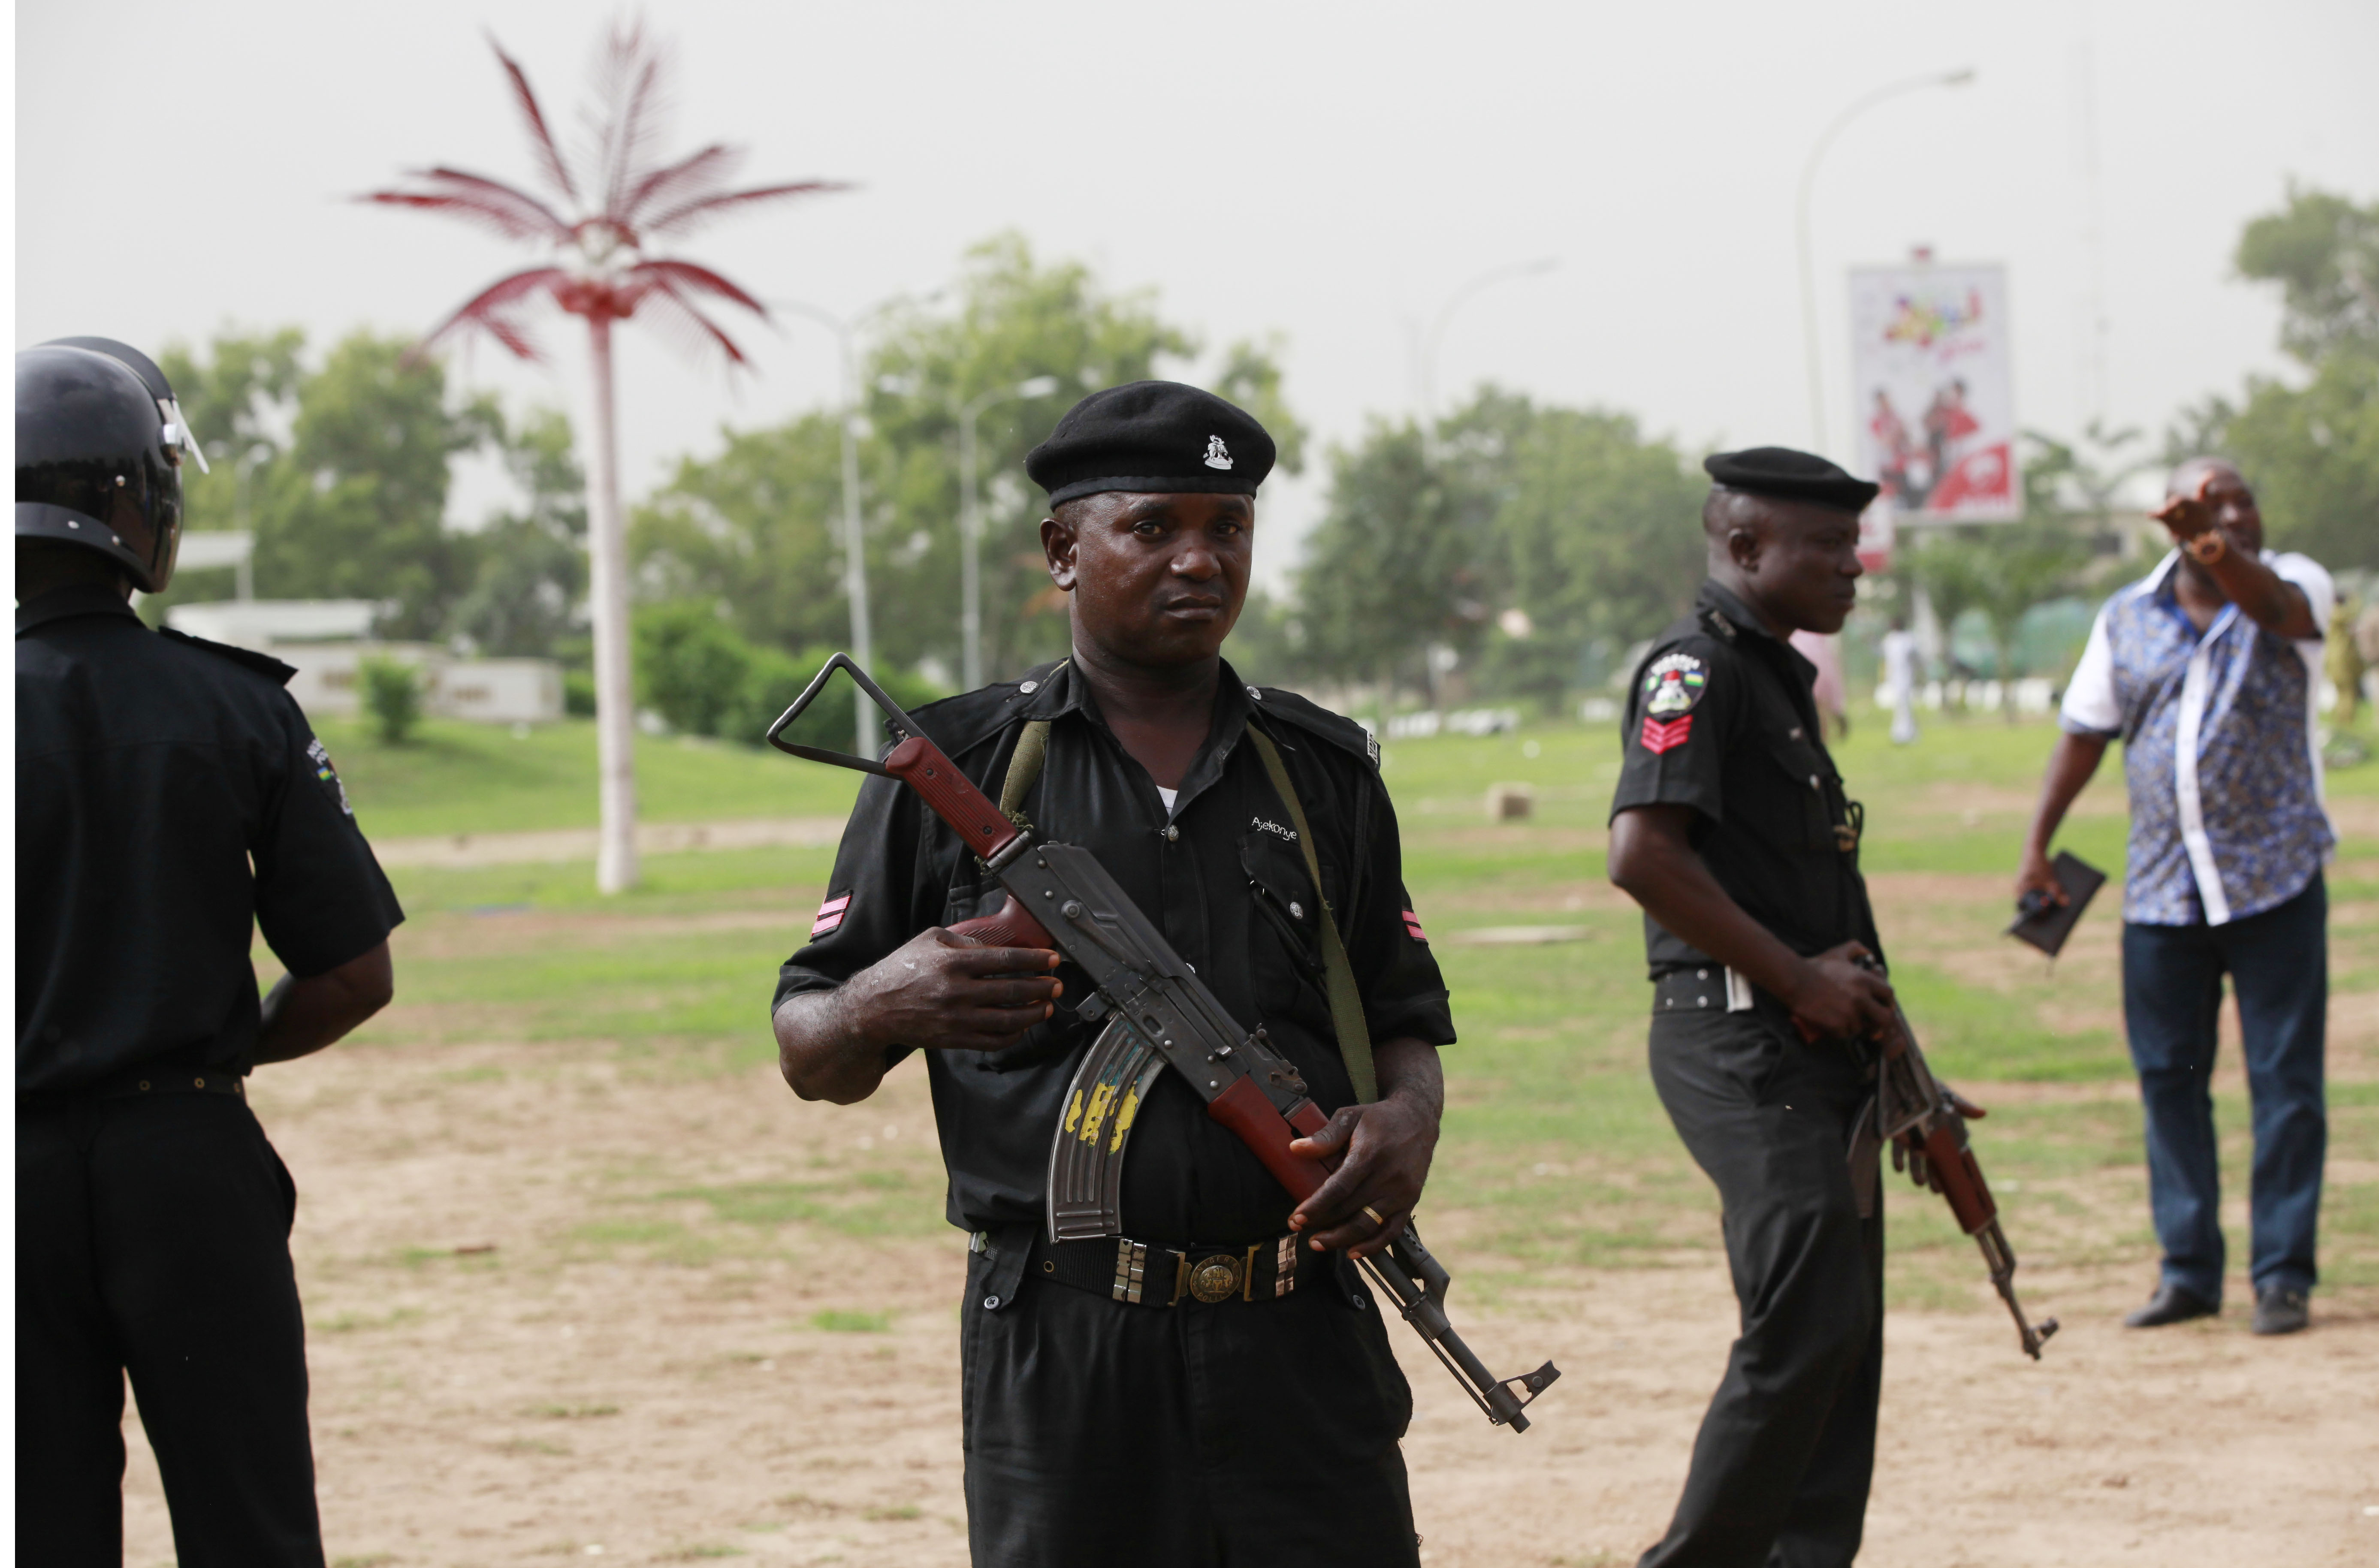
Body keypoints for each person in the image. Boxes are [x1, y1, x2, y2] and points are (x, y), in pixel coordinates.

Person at [770, 381, 1454, 1568]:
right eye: (1154, 528)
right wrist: (888, 998)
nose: (1200, 560)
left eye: (1226, 529)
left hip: (1301, 1330)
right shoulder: (955, 770)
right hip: (1065, 1342)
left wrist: (1406, 1120)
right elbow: (809, 1046)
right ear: (1062, 552)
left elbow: (1399, 1011)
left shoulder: (1322, 773)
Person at [17, 338, 405, 1566]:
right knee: (250, 1527)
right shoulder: (236, 707)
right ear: (144, 502)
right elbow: (352, 975)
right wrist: (211, 1042)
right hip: (186, 1163)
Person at [1606, 447, 1899, 1568]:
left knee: (1845, 1335)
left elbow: (1824, 894)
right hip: (1734, 1038)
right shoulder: (1695, 671)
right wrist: (1802, 982)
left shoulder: (1775, 675)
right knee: (1803, 1321)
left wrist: (1898, 1053)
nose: (1851, 566)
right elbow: (1643, 855)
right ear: (1742, 549)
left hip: (1814, 1046)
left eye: (1851, 542)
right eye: (1824, 546)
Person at [2018, 456, 2331, 1337]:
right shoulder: (2126, 616)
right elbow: (2084, 735)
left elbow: (2275, 613)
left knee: (2285, 1083)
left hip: (2274, 881)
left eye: (2241, 501)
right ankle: (2188, 1271)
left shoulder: (2293, 585)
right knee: (2169, 1082)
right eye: (2209, 506)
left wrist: (2213, 545)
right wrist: (2037, 845)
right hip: (2162, 893)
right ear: (2172, 523)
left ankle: (2282, 1274)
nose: (2233, 517)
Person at [1881, 616, 1922, 745]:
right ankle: (1902, 733)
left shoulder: (1908, 639)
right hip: (1895, 677)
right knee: (1900, 706)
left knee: (1905, 706)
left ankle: (1906, 733)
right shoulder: (1890, 640)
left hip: (1906, 677)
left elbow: (1915, 657)